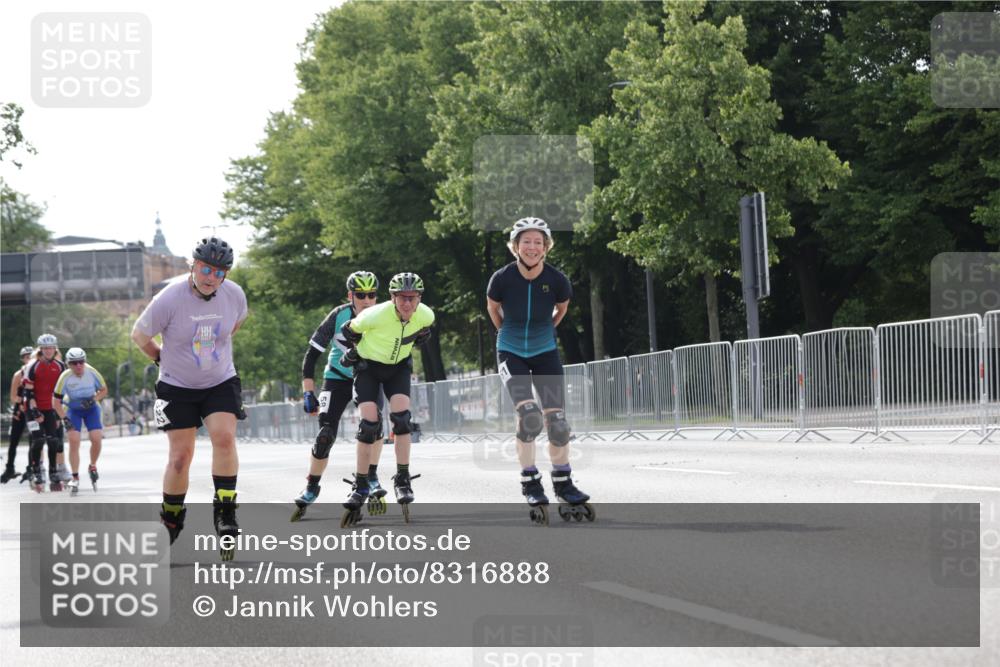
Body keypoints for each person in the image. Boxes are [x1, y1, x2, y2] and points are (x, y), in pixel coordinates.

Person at [131, 236, 247, 558]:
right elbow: (139, 335)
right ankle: (171, 519)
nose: (212, 278)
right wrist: (159, 357)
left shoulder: (234, 295)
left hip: (219, 381)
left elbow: (234, 325)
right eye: (206, 269)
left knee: (224, 438)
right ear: (193, 265)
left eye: (220, 272)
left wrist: (215, 355)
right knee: (180, 457)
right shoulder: (170, 298)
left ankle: (225, 511)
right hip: (176, 385)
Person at [486, 217, 593, 524]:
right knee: (530, 418)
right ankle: (530, 480)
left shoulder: (558, 279)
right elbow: (493, 309)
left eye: (537, 242)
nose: (532, 247)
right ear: (515, 246)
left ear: (546, 247)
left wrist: (545, 330)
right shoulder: (502, 278)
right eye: (526, 242)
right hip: (511, 352)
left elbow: (562, 309)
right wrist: (508, 334)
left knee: (557, 423)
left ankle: (563, 481)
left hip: (546, 351)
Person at [291, 270, 388, 521]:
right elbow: (311, 354)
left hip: (368, 377)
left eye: (371, 295)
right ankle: (312, 486)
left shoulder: (384, 316)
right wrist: (308, 391)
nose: (367, 300)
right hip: (336, 378)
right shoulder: (338, 315)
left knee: (373, 425)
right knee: (325, 435)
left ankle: (371, 475)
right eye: (361, 295)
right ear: (350, 296)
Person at [339, 271, 434, 526]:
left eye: (412, 298)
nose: (406, 304)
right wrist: (353, 351)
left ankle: (402, 478)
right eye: (401, 298)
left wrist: (423, 335)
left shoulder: (426, 315)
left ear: (419, 299)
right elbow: (347, 329)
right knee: (369, 424)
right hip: (368, 367)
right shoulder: (375, 314)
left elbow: (424, 328)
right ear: (392, 298)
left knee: (402, 419)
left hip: (398, 368)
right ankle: (360, 485)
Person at [52, 348, 108, 494]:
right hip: (73, 409)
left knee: (96, 438)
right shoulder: (65, 377)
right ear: (68, 364)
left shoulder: (92, 372)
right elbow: (55, 402)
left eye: (81, 362)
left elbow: (104, 390)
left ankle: (92, 465)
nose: (78, 365)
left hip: (91, 408)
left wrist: (94, 399)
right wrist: (64, 418)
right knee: (73, 439)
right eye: (74, 363)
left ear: (85, 361)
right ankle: (75, 476)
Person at [23, 335, 69, 492]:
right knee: (38, 440)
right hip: (32, 407)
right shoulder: (33, 366)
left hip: (51, 408)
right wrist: (35, 412)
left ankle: (53, 472)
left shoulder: (61, 366)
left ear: (55, 349)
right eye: (45, 348)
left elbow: (62, 392)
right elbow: (28, 393)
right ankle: (37, 472)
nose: (48, 351)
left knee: (53, 440)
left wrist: (57, 414)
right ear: (40, 349)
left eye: (51, 348)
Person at [1, 346, 35, 484]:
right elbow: (13, 397)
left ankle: (31, 467)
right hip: (19, 411)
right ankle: (10, 468)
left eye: (30, 357)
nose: (28, 359)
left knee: (33, 440)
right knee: (13, 440)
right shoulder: (18, 375)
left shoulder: (36, 373)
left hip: (32, 409)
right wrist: (22, 401)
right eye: (26, 357)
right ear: (22, 359)